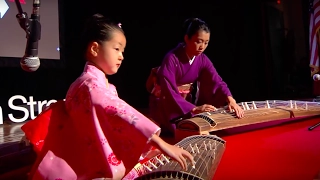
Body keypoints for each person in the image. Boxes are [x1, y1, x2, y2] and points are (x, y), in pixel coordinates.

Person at [21, 14, 194, 180]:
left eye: (123, 50)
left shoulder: (96, 83)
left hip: (85, 155)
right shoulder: (89, 86)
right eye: (117, 49)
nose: (122, 56)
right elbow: (118, 111)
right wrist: (160, 143)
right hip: (81, 164)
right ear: (95, 48)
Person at [148, 18, 244, 135]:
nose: (202, 47)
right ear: (187, 38)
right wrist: (193, 108)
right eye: (198, 41)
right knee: (188, 132)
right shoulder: (171, 58)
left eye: (206, 42)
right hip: (167, 104)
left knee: (202, 129)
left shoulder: (202, 59)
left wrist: (230, 99)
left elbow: (216, 80)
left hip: (185, 104)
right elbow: (168, 91)